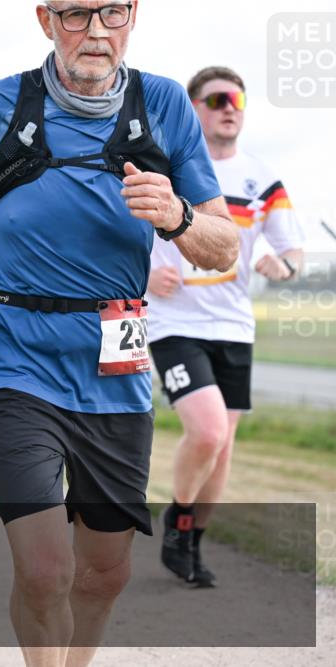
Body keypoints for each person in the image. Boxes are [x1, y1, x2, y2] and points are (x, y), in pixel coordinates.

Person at [0, 2, 240, 664]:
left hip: (116, 363)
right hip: (15, 358)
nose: (97, 31)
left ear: (133, 14)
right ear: (46, 18)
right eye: (78, 14)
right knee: (46, 567)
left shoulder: (163, 105)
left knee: (104, 571)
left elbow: (222, 246)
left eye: (113, 10)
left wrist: (178, 213)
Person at [147, 66, 305, 588]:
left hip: (235, 328)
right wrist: (150, 274)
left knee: (224, 445)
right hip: (174, 324)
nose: (229, 107)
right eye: (217, 99)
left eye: (236, 98)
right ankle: (177, 522)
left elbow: (292, 254)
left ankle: (190, 543)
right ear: (194, 110)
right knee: (208, 429)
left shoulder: (263, 180)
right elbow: (120, 235)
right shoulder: (161, 171)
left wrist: (280, 267)